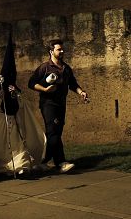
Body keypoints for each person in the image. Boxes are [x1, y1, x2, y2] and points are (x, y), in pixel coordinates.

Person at [0, 33, 45, 181]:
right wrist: (0, 96)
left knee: (19, 150)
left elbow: (22, 107)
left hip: (12, 124)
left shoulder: (15, 89)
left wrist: (16, 95)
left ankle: (21, 168)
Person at [28, 39, 88, 173]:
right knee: (53, 131)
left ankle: (42, 162)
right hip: (48, 104)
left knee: (56, 132)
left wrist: (81, 92)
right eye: (58, 49)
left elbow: (72, 83)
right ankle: (61, 162)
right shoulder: (45, 67)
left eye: (62, 49)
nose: (62, 51)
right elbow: (31, 83)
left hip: (61, 103)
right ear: (51, 52)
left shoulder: (66, 68)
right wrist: (44, 90)